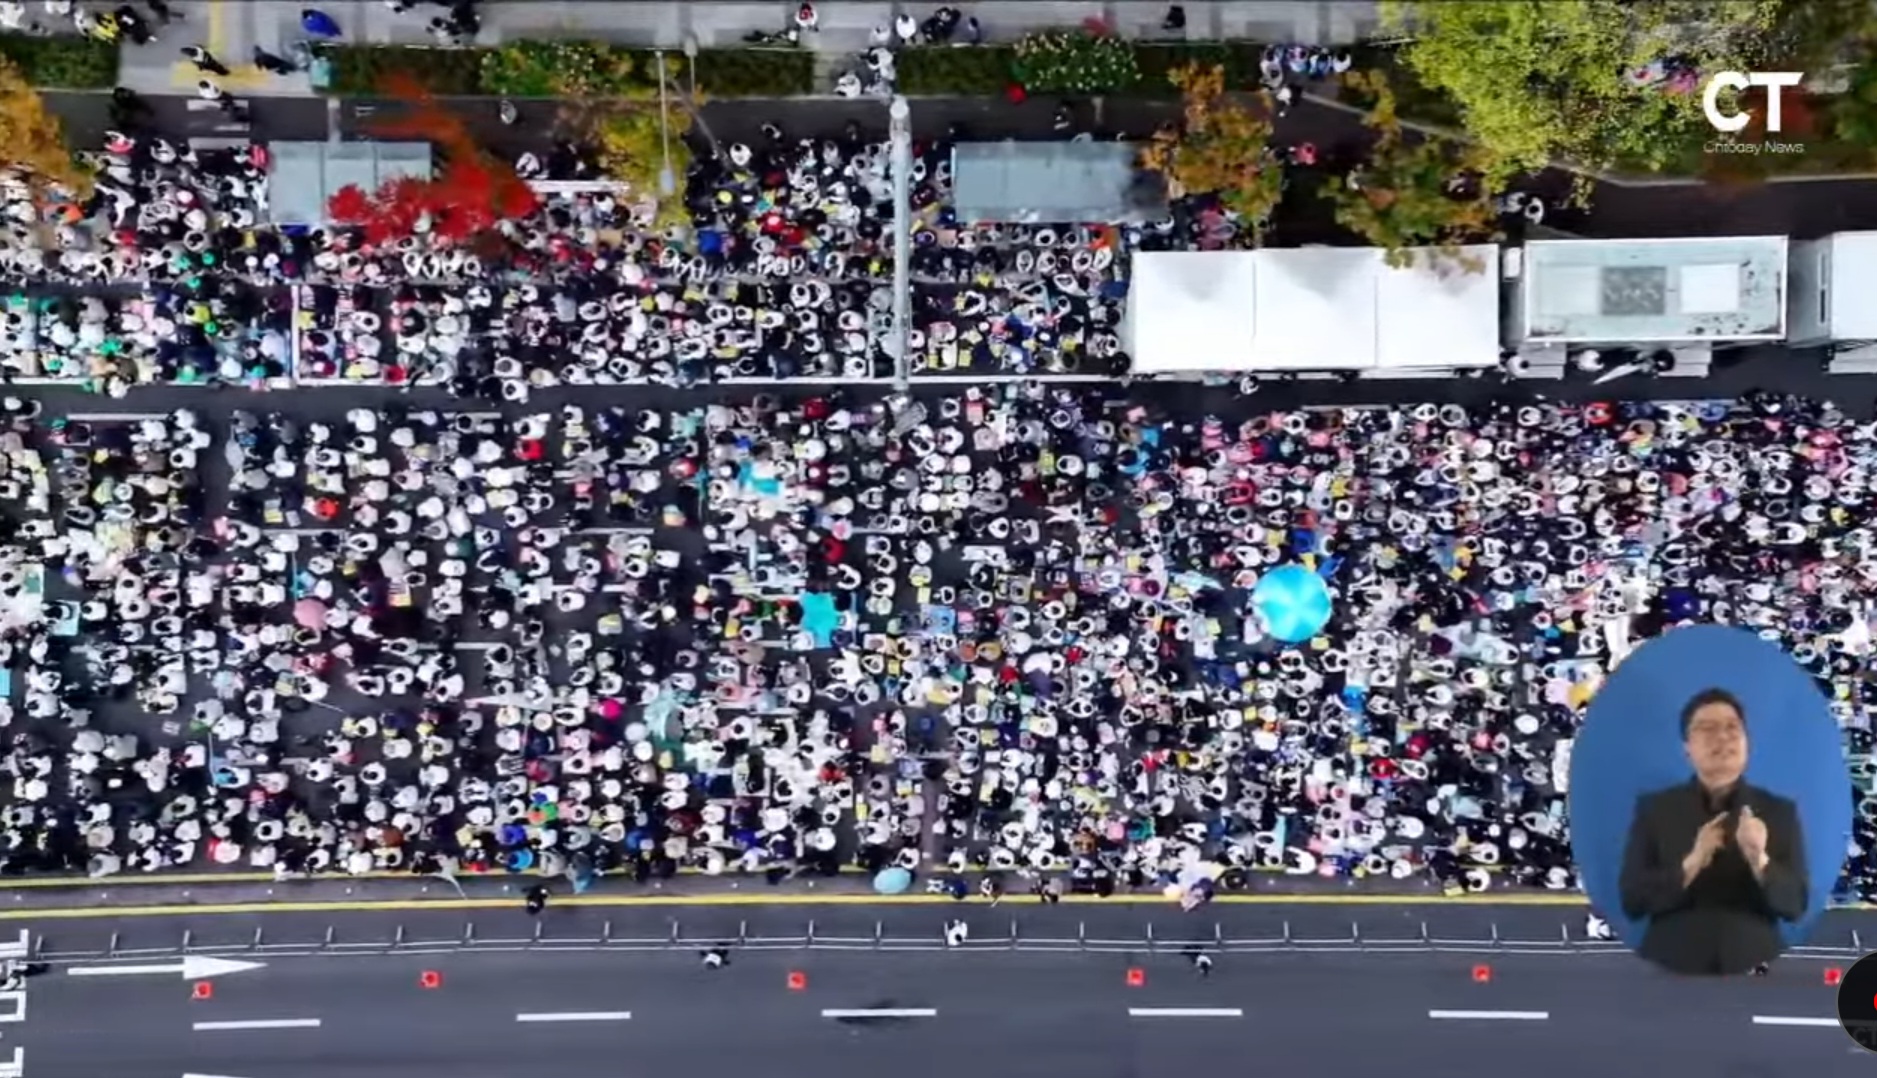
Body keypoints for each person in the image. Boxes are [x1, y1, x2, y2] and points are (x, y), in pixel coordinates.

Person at [1618, 688, 1809, 975]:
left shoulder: (1779, 811)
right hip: (1669, 964)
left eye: (1733, 728)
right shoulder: (1655, 809)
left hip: (1756, 965)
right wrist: (1692, 863)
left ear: (1747, 742)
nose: (1722, 737)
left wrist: (1759, 859)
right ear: (1687, 747)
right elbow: (1632, 903)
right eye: (1707, 728)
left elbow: (1795, 906)